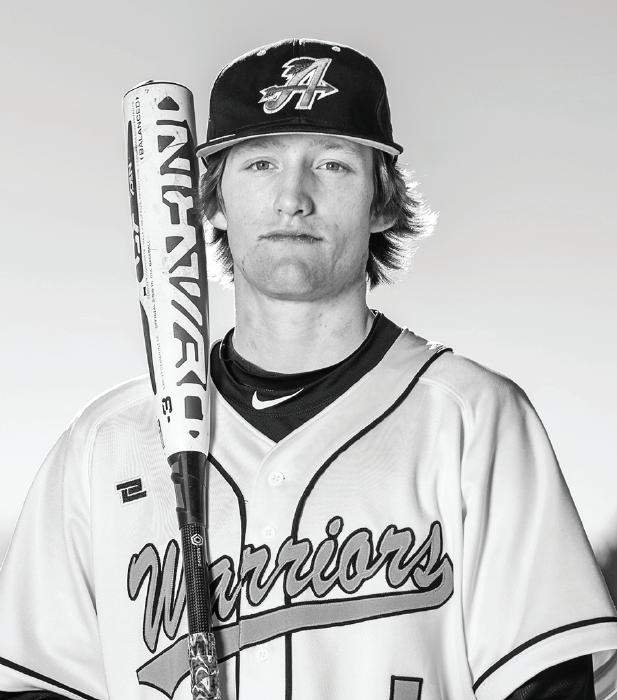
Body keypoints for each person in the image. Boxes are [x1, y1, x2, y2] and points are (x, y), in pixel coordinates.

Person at [0, 38, 616, 700]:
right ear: (212, 201)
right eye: (261, 163)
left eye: (332, 164)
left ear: (382, 204)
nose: (293, 197)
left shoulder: (472, 420)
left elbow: (550, 685)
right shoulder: (106, 444)